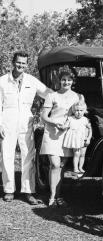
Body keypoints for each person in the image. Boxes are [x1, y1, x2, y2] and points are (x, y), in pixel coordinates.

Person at [0, 51, 52, 204]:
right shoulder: (2, 81)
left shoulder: (32, 80)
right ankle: (9, 190)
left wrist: (68, 96)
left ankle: (28, 190)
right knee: (7, 155)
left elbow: (48, 94)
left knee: (28, 155)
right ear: (13, 62)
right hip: (7, 121)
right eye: (18, 62)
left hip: (26, 120)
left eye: (23, 63)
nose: (20, 65)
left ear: (27, 64)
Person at [40, 71, 85, 207]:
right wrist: (55, 123)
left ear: (73, 81)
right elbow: (44, 116)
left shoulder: (78, 97)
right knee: (54, 164)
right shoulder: (52, 96)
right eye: (64, 79)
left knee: (61, 166)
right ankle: (53, 197)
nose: (66, 82)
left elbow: (81, 114)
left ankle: (59, 196)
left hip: (68, 135)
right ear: (59, 81)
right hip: (52, 133)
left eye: (69, 80)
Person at [63, 100, 92, 174]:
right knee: (76, 154)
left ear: (84, 111)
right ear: (73, 111)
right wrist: (62, 126)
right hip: (75, 139)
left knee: (82, 154)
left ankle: (80, 167)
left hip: (83, 139)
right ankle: (75, 168)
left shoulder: (85, 119)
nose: (79, 112)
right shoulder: (71, 118)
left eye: (81, 110)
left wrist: (88, 138)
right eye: (77, 110)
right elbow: (65, 126)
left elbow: (89, 130)